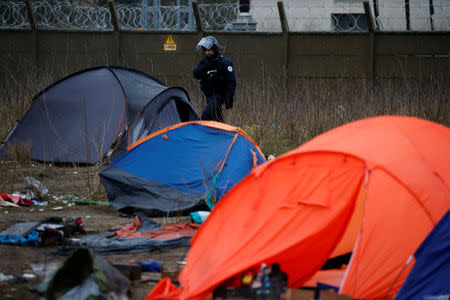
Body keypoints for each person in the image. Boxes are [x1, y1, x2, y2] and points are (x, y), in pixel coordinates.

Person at [193, 36, 236, 122]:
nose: (207, 53)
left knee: (205, 116)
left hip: (220, 95)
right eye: (205, 50)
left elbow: (231, 81)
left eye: (209, 50)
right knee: (216, 118)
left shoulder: (224, 62)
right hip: (208, 94)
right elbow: (196, 74)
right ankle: (224, 133)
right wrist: (207, 66)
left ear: (215, 49)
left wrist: (229, 98)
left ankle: (202, 134)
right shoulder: (204, 62)